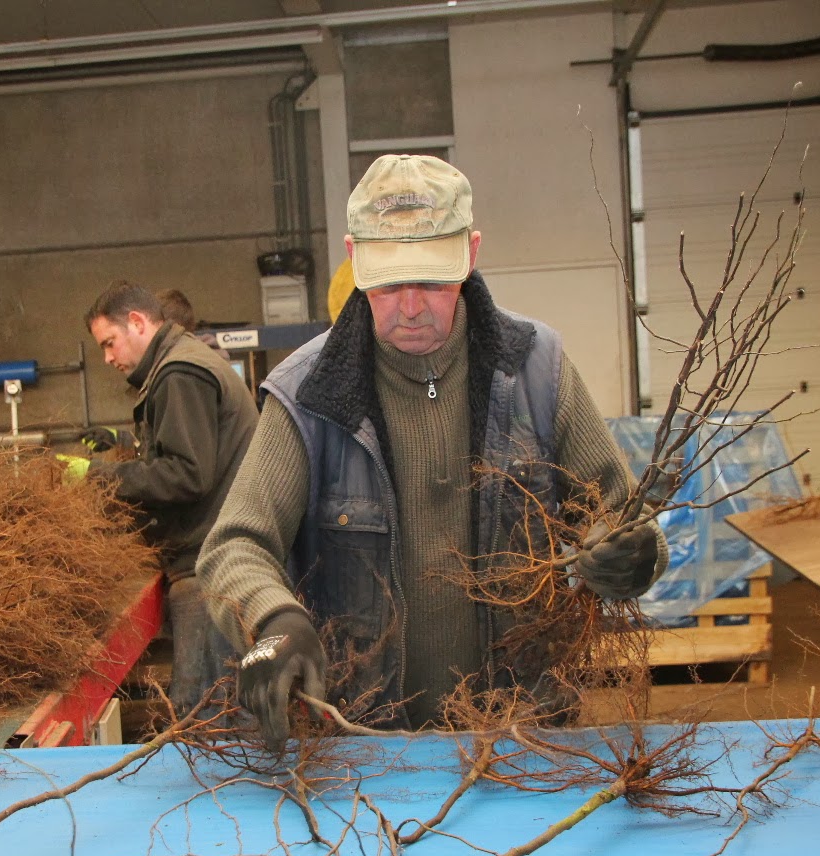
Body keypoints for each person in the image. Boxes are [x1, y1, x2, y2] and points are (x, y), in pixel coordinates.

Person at [197, 154, 665, 747]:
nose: (411, 306)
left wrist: (632, 554)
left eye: (433, 280)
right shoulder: (308, 394)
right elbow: (235, 546)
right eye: (390, 283)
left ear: (470, 254)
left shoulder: (536, 370)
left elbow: (620, 512)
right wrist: (272, 616)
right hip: (365, 749)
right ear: (354, 258)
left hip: (521, 741)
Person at [83, 280, 259, 711]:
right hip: (219, 560)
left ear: (137, 322)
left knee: (201, 713)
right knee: (220, 709)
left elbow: (186, 475)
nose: (107, 358)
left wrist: (101, 478)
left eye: (109, 343)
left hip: (210, 568)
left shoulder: (180, 373)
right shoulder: (183, 363)